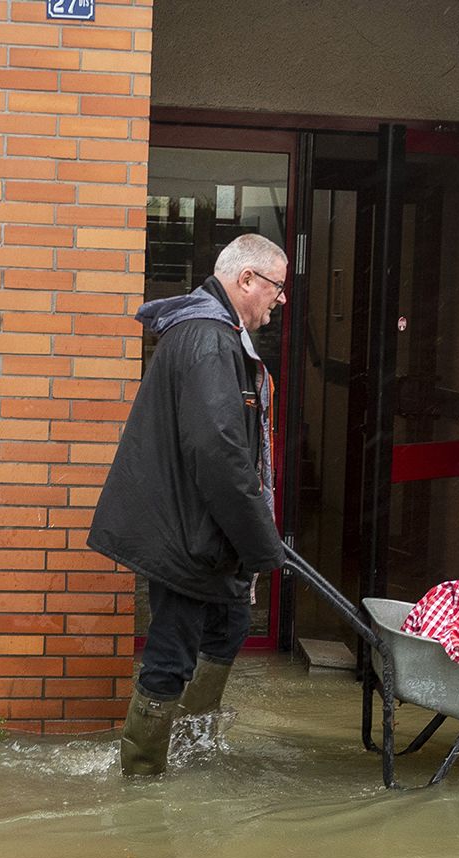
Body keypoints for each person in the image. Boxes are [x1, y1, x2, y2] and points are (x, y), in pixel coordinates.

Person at [89, 233, 289, 776]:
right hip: (186, 535)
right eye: (277, 286)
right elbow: (219, 453)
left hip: (205, 531)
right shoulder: (207, 340)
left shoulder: (217, 336)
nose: (280, 298)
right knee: (172, 651)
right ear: (246, 280)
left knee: (225, 629)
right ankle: (143, 774)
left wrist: (251, 545)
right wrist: (262, 544)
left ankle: (193, 749)